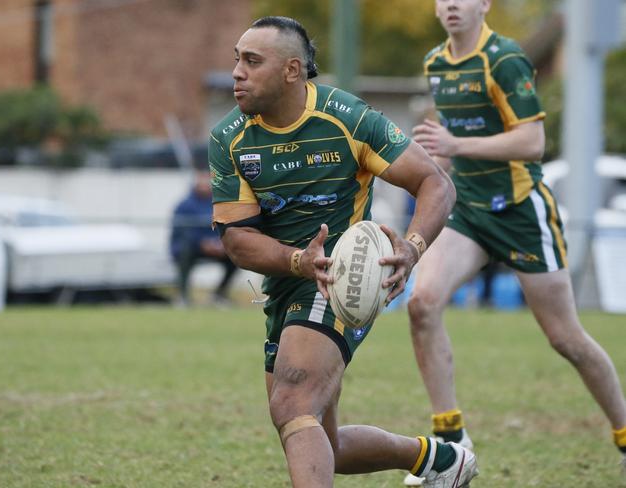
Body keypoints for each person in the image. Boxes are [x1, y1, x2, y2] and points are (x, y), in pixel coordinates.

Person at [209, 16, 478, 488]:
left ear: (292, 70)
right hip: (287, 282)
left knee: (292, 403)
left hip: (342, 278)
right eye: (237, 60)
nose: (237, 72)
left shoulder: (347, 118)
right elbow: (237, 239)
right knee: (321, 440)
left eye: (252, 61)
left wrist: (412, 250)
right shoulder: (228, 138)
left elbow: (434, 182)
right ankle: (437, 459)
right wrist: (296, 261)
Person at [403, 0, 626, 484]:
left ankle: (625, 433)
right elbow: (447, 139)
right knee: (422, 304)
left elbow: (532, 142)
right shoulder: (436, 62)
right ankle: (452, 445)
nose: (453, 5)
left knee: (567, 339)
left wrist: (456, 145)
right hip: (468, 212)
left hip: (522, 214)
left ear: (484, 5)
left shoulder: (503, 58)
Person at [169, 164, 237, 306]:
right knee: (184, 252)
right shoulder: (184, 205)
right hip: (192, 247)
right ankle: (183, 296)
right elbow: (181, 231)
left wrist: (221, 243)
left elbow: (227, 225)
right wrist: (201, 243)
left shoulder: (220, 203)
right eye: (202, 180)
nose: (205, 184)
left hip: (217, 246)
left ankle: (220, 295)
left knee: (237, 256)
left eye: (208, 181)